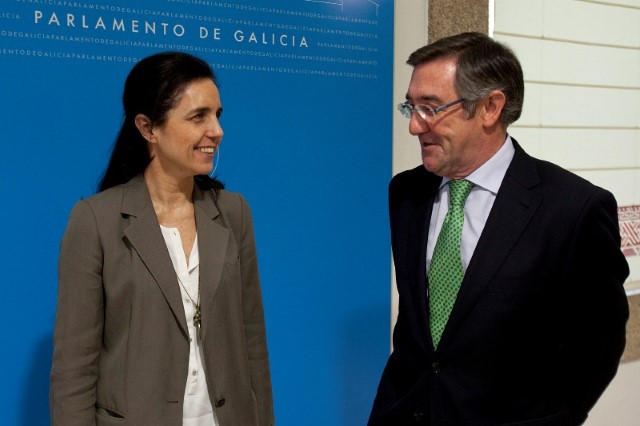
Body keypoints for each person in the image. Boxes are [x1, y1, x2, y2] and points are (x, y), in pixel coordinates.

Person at [368, 32, 629, 426]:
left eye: (431, 108)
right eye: (411, 107)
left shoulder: (572, 209)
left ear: (490, 107)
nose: (415, 127)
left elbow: (598, 344)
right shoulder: (406, 192)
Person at [50, 52, 274, 425]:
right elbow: (74, 369)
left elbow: (253, 345)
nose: (216, 130)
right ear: (148, 128)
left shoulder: (234, 212)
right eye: (198, 116)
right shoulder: (95, 221)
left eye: (217, 114)